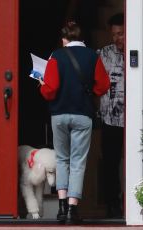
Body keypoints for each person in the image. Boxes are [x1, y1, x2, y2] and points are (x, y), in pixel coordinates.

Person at [39, 21, 110, 224]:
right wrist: (90, 93)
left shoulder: (56, 56)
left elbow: (50, 90)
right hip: (82, 115)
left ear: (64, 39)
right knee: (78, 162)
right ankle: (72, 209)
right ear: (81, 38)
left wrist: (42, 86)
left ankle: (61, 207)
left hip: (59, 115)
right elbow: (103, 85)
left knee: (62, 159)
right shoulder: (92, 56)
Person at [99, 13, 124, 218]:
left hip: (135, 118)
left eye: (122, 34)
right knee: (110, 162)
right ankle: (112, 204)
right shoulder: (103, 54)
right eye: (115, 34)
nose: (118, 38)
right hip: (109, 118)